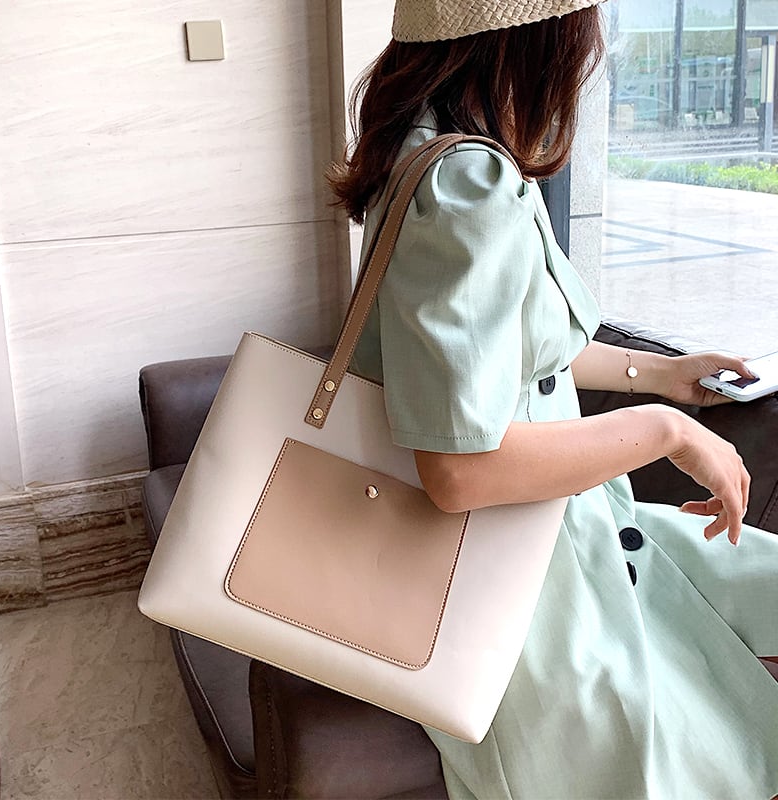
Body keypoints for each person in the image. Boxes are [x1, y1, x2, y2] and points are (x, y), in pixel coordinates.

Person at [328, 1, 778, 798]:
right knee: (698, 744)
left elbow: (511, 358)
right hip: (518, 571)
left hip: (558, 533)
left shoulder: (427, 152)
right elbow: (459, 470)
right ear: (536, 42)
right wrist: (667, 430)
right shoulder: (469, 186)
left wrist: (660, 376)